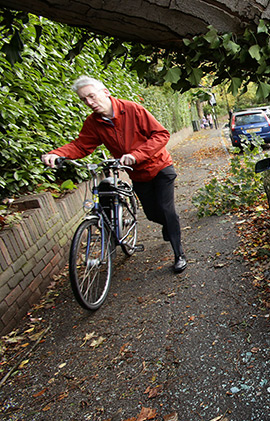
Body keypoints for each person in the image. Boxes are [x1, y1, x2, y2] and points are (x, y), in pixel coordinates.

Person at [41, 76, 187, 273]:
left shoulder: (133, 109)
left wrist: (136, 155)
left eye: (92, 96)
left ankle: (179, 255)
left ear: (105, 92)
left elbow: (161, 134)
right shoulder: (94, 123)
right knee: (153, 214)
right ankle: (168, 226)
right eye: (84, 100)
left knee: (167, 209)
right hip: (138, 175)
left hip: (160, 167)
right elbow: (82, 145)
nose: (90, 103)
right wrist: (58, 153)